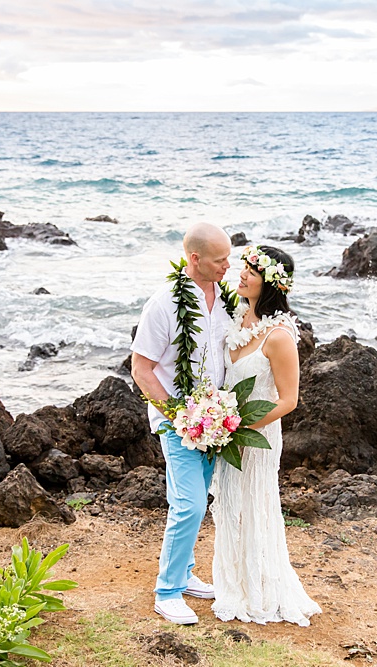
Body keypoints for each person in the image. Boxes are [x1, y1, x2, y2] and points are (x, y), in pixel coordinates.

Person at [210, 244, 321, 626]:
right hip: (228, 434)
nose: (241, 274)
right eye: (243, 268)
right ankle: (232, 580)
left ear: (269, 284)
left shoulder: (279, 336)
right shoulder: (237, 318)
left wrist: (240, 427)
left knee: (254, 504)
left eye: (250, 272)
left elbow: (288, 400)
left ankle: (259, 587)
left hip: (257, 436)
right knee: (229, 504)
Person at [131, 223, 234, 625]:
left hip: (218, 422)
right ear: (195, 259)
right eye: (219, 259)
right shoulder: (163, 303)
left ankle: (185, 574)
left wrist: (219, 416)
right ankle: (167, 592)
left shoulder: (225, 298)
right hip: (179, 424)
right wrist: (180, 417)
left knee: (197, 499)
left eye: (229, 256)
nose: (228, 265)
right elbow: (142, 368)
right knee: (189, 504)